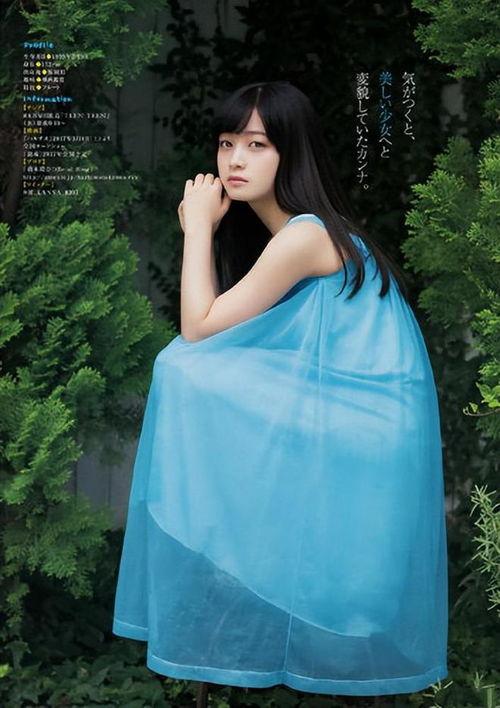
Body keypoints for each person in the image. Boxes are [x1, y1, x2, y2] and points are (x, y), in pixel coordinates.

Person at [112, 81, 448, 699]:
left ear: (292, 154)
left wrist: (197, 230)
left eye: (256, 145)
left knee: (182, 367)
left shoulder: (306, 236)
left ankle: (226, 558)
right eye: (226, 144)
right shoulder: (302, 235)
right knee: (191, 370)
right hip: (355, 420)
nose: (234, 161)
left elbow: (198, 328)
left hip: (360, 427)